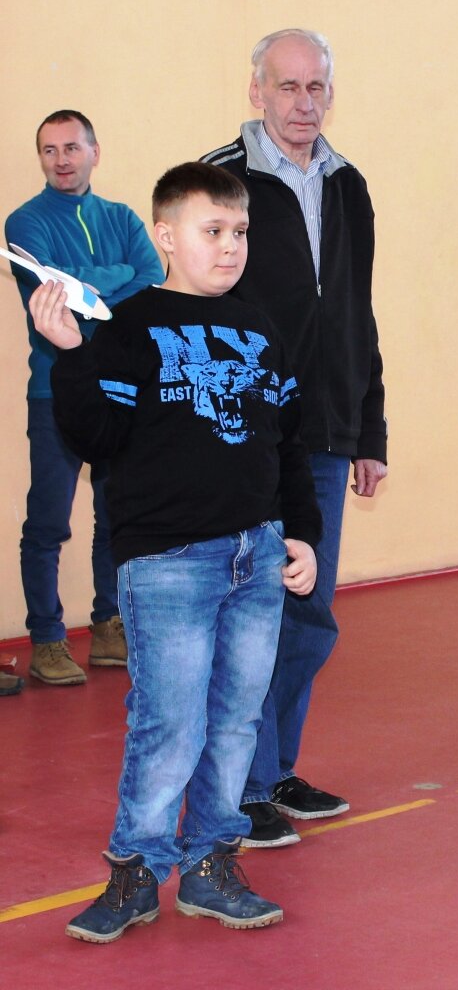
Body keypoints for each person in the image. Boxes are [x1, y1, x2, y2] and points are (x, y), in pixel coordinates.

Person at [29, 162, 321, 943]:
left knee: (235, 720)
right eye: (212, 230)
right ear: (165, 236)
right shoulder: (130, 328)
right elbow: (97, 438)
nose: (230, 246)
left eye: (240, 232)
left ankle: (210, 865)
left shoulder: (260, 329)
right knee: (168, 723)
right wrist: (70, 353)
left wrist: (301, 534)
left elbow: (286, 445)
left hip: (257, 558)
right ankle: (135, 871)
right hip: (168, 564)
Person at [201, 29, 388, 848]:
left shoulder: (348, 186)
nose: (303, 103)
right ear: (257, 93)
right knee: (250, 615)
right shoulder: (219, 182)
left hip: (324, 437)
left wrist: (368, 428)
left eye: (316, 88)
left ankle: (272, 771)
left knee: (307, 616)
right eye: (287, 87)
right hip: (244, 438)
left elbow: (355, 312)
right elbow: (193, 309)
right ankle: (236, 791)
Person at [5, 110, 165, 686]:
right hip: (54, 390)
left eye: (72, 147)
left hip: (117, 389)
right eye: (49, 150)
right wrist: (115, 275)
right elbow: (53, 290)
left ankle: (107, 627)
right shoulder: (24, 221)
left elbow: (151, 275)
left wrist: (88, 282)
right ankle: (47, 640)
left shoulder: (121, 217)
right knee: (48, 520)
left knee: (113, 514)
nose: (62, 160)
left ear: (95, 152)